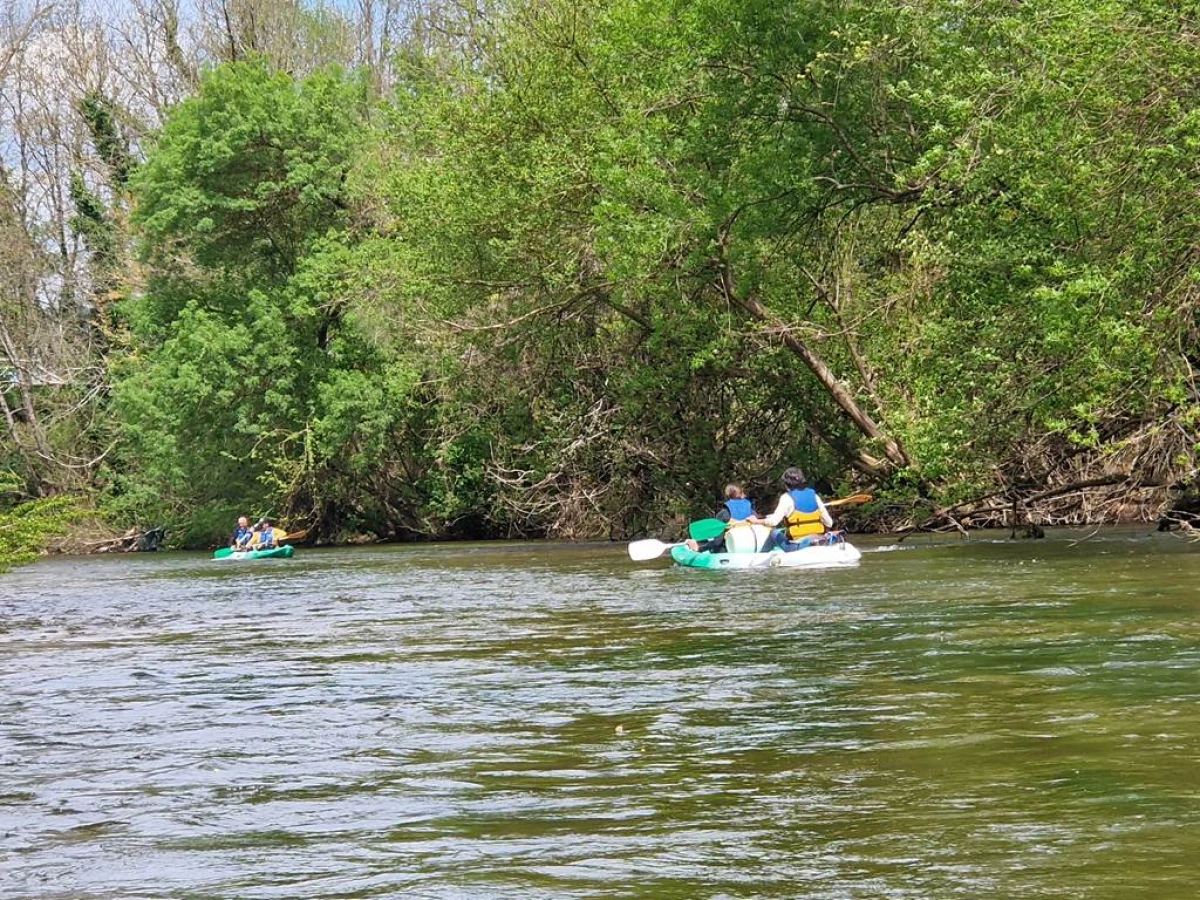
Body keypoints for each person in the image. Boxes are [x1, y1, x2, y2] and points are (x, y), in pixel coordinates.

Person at [750, 467, 833, 553]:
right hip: (818, 539)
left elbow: (773, 522)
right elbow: (829, 523)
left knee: (773, 533)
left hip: (799, 545)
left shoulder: (786, 498)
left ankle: (760, 558)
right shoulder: (814, 496)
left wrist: (756, 521)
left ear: (786, 484)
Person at [686, 484, 754, 553]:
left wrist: (700, 548)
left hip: (731, 550)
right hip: (751, 547)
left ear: (727, 496)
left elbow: (717, 542)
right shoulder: (751, 511)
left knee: (717, 546)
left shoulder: (724, 514)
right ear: (741, 494)